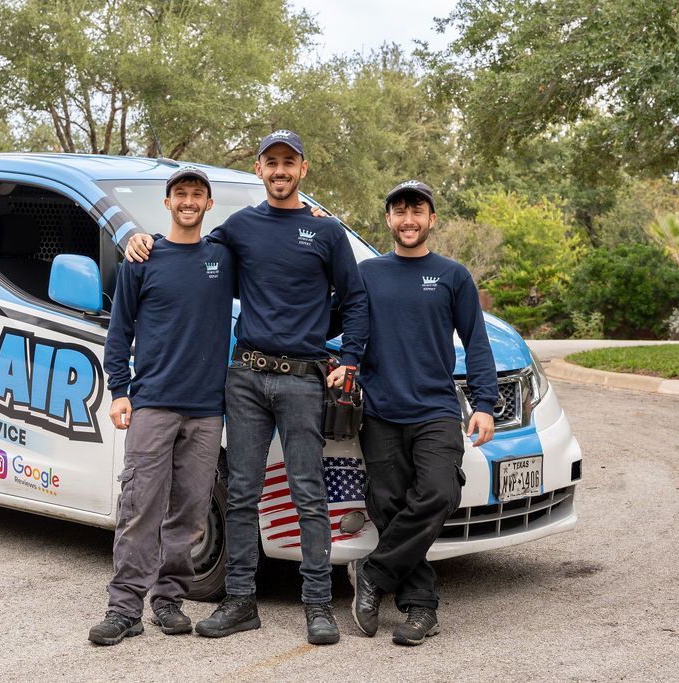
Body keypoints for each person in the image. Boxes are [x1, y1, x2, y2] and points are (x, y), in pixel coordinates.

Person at [126, 131, 369, 645]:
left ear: (303, 169)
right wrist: (137, 238)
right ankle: (240, 602)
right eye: (271, 162)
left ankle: (318, 606)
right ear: (259, 170)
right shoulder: (238, 228)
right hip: (245, 378)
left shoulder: (327, 233)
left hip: (304, 379)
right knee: (241, 495)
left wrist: (348, 359)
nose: (280, 171)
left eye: (289, 163)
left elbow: (356, 301)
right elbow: (187, 256)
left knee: (308, 493)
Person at [346, 180, 497, 646]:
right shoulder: (368, 273)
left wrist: (486, 404)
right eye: (399, 211)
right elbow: (337, 320)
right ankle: (420, 607)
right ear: (388, 219)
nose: (408, 219)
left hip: (435, 408)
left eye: (417, 210)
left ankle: (372, 574)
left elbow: (476, 341)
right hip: (382, 411)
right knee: (388, 505)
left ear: (432, 219)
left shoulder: (452, 275)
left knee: (438, 492)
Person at [89, 167, 235, 646]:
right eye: (181, 194)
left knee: (190, 512)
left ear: (208, 205)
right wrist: (120, 392)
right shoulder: (141, 259)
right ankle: (124, 608)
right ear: (168, 201)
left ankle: (168, 599)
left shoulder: (223, 258)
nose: (189, 201)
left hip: (207, 410)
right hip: (152, 404)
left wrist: (311, 218)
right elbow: (119, 331)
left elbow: (273, 247)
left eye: (197, 194)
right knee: (139, 507)